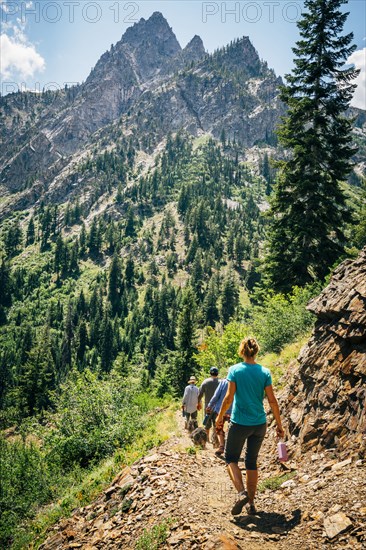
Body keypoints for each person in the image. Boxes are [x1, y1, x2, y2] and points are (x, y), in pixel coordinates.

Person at [216, 337, 285, 516]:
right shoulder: (264, 372)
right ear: (256, 351)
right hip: (259, 424)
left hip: (239, 423)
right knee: (251, 462)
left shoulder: (235, 370)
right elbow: (272, 401)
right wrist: (279, 424)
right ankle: (251, 504)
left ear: (242, 351)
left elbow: (229, 397)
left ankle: (242, 494)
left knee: (230, 458)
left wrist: (220, 417)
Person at [207, 378, 232, 456]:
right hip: (233, 410)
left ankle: (221, 446)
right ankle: (231, 447)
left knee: (218, 426)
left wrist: (209, 406)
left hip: (221, 410)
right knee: (233, 428)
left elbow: (216, 396)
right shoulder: (239, 382)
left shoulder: (223, 382)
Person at [198, 367, 220, 441]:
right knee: (216, 424)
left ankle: (207, 439)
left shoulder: (205, 382)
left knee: (207, 424)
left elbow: (200, 394)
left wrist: (198, 403)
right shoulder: (220, 382)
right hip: (218, 407)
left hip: (208, 407)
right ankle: (215, 439)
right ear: (217, 373)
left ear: (210, 373)